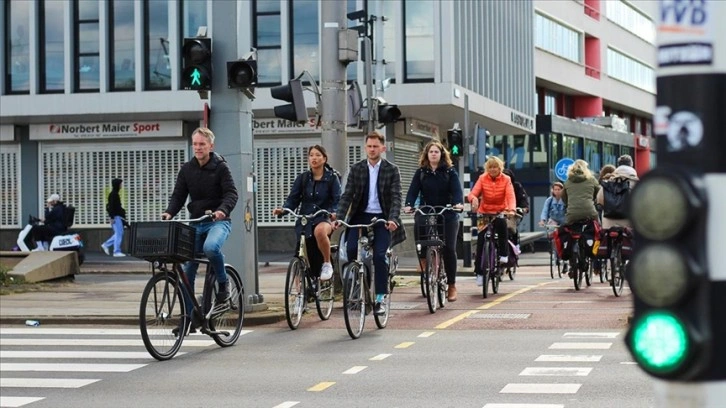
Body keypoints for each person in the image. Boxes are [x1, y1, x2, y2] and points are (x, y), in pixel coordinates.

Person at [162, 127, 238, 323]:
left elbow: (231, 193)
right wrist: (169, 212)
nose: (197, 148)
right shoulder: (187, 169)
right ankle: (189, 317)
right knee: (188, 270)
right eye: (195, 144)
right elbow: (178, 195)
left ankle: (223, 283)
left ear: (210, 146)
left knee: (211, 247)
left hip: (217, 222)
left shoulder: (221, 167)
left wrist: (222, 210)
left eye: (202, 144)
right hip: (196, 222)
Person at [335, 132, 406, 316]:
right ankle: (359, 282)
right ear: (365, 148)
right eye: (369, 146)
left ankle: (380, 298)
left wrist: (393, 218)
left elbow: (396, 196)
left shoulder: (392, 170)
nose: (372, 149)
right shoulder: (356, 169)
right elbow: (347, 195)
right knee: (350, 250)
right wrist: (339, 218)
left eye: (376, 146)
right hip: (360, 216)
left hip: (382, 218)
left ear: (382, 148)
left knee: (379, 256)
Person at [403, 140, 464, 302]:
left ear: (442, 154)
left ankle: (451, 285)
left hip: (447, 212)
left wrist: (458, 203)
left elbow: (457, 190)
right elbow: (413, 191)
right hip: (428, 210)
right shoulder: (421, 172)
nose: (434, 154)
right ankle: (424, 259)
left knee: (449, 248)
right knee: (419, 223)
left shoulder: (450, 172)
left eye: (437, 151)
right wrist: (409, 205)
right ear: (427, 155)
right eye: (431, 152)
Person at [273, 145, 341, 281]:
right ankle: (300, 291)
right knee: (300, 255)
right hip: (305, 219)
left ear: (324, 158)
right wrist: (283, 210)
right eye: (311, 155)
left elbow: (337, 200)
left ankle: (327, 263)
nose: (314, 158)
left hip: (323, 217)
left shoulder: (332, 178)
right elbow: (293, 199)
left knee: (319, 232)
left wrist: (334, 213)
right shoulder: (303, 178)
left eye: (317, 155)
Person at [468, 156, 516, 287]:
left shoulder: (506, 179)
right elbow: (472, 193)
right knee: (481, 240)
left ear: (500, 168)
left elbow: (510, 195)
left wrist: (511, 209)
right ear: (487, 169)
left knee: (502, 227)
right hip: (484, 212)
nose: (493, 169)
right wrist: (474, 199)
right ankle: (479, 273)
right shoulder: (482, 178)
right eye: (490, 167)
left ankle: (503, 254)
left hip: (500, 211)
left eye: (495, 167)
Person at [502, 168, 529, 250]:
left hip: (512, 212)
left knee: (512, 229)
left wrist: (524, 208)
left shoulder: (516, 186)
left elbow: (522, 198)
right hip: (499, 211)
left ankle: (515, 246)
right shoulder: (497, 185)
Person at [101, 178, 128, 257]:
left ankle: (106, 244)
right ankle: (116, 251)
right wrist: (112, 217)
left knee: (119, 233)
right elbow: (111, 206)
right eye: (120, 184)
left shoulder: (114, 194)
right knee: (119, 233)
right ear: (117, 185)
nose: (121, 185)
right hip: (116, 217)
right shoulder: (113, 194)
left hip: (117, 216)